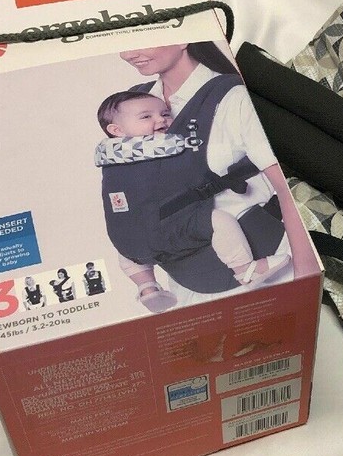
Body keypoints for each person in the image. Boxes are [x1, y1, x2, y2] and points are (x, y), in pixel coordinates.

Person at [95, 88, 290, 311]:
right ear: (116, 130)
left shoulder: (108, 158)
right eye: (146, 116)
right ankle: (246, 269)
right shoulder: (164, 146)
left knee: (127, 250)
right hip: (170, 230)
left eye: (165, 113)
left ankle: (147, 287)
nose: (161, 120)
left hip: (129, 240)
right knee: (219, 221)